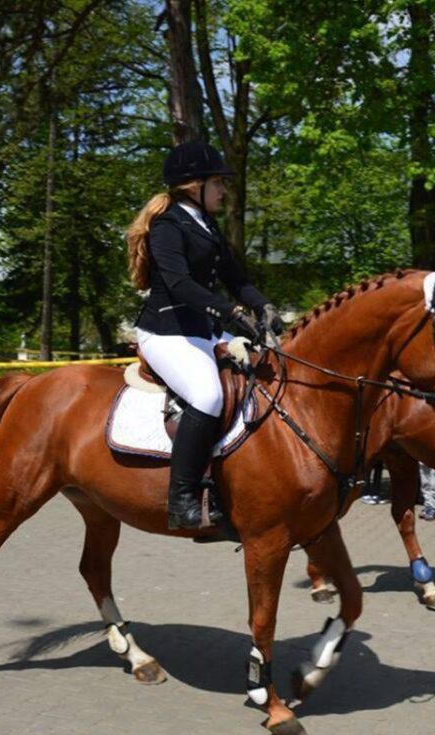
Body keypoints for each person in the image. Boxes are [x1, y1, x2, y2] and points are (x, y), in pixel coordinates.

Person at [126, 141, 284, 529]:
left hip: (200, 333)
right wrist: (231, 312)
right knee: (208, 394)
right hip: (165, 332)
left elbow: (236, 279)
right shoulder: (166, 226)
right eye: (218, 183)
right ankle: (181, 499)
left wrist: (263, 307)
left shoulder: (207, 225)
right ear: (192, 185)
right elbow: (179, 284)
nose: (223, 191)